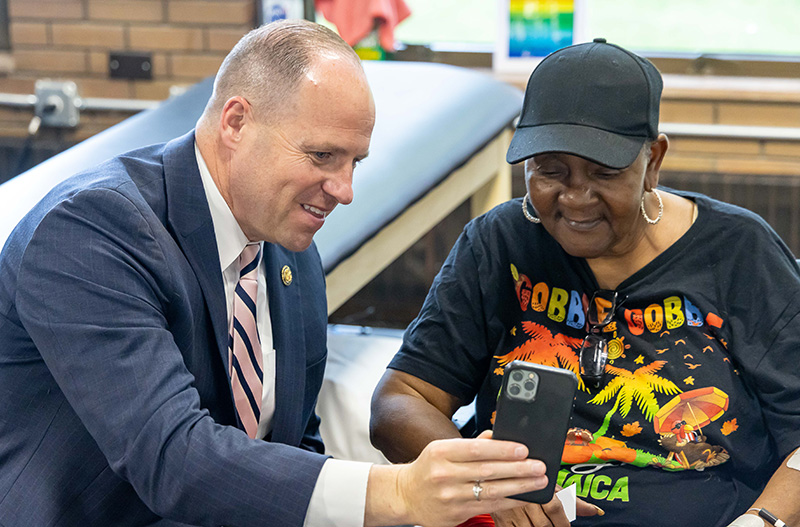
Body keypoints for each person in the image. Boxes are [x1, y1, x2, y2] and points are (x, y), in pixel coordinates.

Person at [0, 20, 549, 527]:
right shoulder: (91, 230)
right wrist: (400, 493)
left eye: (353, 162)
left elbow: (289, 452)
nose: (344, 190)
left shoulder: (290, 254)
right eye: (322, 155)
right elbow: (171, 455)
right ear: (237, 121)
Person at [370, 38, 800, 527]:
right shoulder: (500, 244)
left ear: (653, 162)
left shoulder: (739, 253)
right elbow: (399, 401)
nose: (574, 199)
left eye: (604, 173)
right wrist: (485, 484)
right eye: (549, 171)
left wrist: (763, 521)